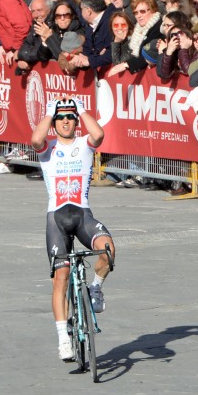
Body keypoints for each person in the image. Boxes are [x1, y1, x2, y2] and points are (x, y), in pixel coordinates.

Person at [30, 97, 115, 361]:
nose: (66, 121)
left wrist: (81, 109)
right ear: (54, 123)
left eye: (70, 117)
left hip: (82, 215)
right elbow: (35, 140)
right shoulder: (49, 148)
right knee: (61, 277)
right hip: (56, 218)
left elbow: (99, 134)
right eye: (61, 118)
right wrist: (48, 112)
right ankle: (62, 338)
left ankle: (96, 288)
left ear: (76, 121)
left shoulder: (84, 145)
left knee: (109, 249)